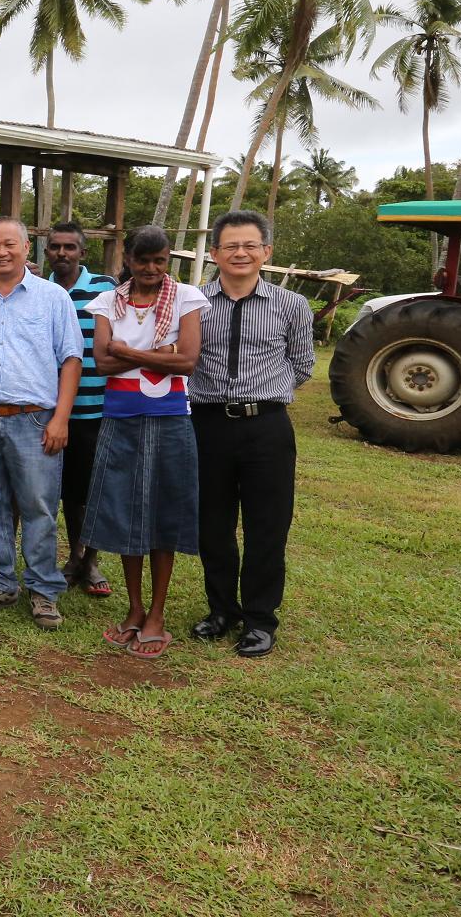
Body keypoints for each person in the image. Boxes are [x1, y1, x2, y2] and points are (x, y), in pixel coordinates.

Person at [189, 210, 314, 659]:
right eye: (230, 246)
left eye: (249, 245)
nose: (240, 253)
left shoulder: (290, 305)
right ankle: (221, 610)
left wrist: (264, 394)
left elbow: (302, 365)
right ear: (215, 253)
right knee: (213, 524)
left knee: (268, 525)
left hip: (266, 427)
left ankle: (260, 619)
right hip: (207, 424)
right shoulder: (195, 303)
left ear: (266, 252)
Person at [0, 217, 81, 630]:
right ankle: (0, 580)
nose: (1, 252)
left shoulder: (52, 298)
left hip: (35, 419)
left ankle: (44, 590)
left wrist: (61, 417)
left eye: (10, 244)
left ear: (27, 247)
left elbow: (71, 359)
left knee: (38, 506)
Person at [84, 225, 206, 658]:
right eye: (143, 261)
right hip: (121, 421)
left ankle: (157, 614)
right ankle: (134, 610)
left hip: (171, 421)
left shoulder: (188, 298)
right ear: (129, 260)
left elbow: (188, 362)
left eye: (160, 261)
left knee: (163, 516)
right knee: (126, 514)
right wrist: (162, 355)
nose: (152, 269)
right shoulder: (106, 301)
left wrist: (129, 353)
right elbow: (100, 362)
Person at [45, 221, 118, 599]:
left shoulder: (104, 289)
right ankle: (74, 554)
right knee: (67, 493)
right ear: (46, 252)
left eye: (69, 247)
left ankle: (90, 559)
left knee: (93, 490)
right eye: (55, 247)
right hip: (50, 410)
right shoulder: (39, 290)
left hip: (95, 408)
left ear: (82, 253)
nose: (62, 253)